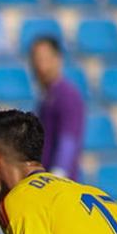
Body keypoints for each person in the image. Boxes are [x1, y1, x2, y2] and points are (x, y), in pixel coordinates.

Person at [30, 37, 84, 181]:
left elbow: (68, 140)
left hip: (56, 183)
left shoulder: (67, 95)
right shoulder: (46, 96)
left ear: (57, 59)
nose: (39, 65)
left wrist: (57, 176)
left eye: (44, 59)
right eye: (36, 59)